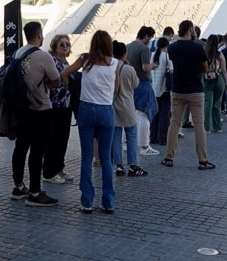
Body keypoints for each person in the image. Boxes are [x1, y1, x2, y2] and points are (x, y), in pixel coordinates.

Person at [61, 30, 119, 213]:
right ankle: (108, 201)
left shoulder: (85, 60)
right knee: (105, 158)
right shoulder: (115, 63)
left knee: (87, 157)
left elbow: (64, 73)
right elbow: (116, 89)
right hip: (105, 110)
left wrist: (71, 87)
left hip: (86, 109)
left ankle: (87, 201)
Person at [10, 21, 61, 207]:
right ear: (39, 35)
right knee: (37, 151)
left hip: (21, 108)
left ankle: (18, 186)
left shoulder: (17, 53)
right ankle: (35, 192)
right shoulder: (43, 56)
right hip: (40, 108)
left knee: (21, 147)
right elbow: (56, 81)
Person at [162, 20, 213, 170]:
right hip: (195, 90)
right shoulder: (198, 47)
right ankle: (202, 160)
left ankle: (169, 157)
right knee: (199, 125)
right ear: (191, 30)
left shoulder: (172, 48)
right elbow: (205, 68)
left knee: (174, 123)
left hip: (177, 89)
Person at [112, 41, 148, 177]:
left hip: (114, 106)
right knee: (131, 136)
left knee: (115, 136)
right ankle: (133, 165)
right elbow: (136, 84)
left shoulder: (109, 67)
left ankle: (118, 165)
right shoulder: (128, 69)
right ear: (124, 54)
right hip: (127, 105)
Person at [43, 34, 75, 185]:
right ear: (54, 46)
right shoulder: (52, 61)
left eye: (67, 45)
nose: (65, 47)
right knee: (53, 139)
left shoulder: (66, 62)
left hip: (66, 105)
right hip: (54, 105)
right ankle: (49, 172)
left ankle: (59, 167)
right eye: (61, 44)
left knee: (63, 138)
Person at [126, 27, 159, 156]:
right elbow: (145, 67)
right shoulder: (144, 49)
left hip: (130, 83)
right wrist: (153, 66)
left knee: (130, 113)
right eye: (149, 38)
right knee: (144, 114)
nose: (149, 41)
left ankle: (125, 143)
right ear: (145, 36)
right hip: (143, 83)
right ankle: (144, 145)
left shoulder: (128, 47)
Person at [149, 37, 172, 146]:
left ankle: (152, 137)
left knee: (155, 114)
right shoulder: (167, 56)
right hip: (165, 89)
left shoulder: (153, 55)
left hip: (154, 88)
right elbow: (171, 69)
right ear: (166, 46)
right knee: (165, 113)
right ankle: (162, 138)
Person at [202, 34, 227, 133]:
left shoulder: (204, 53)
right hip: (218, 78)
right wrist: (226, 82)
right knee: (217, 103)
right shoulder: (219, 54)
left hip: (206, 79)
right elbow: (224, 70)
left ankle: (206, 127)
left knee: (207, 103)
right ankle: (217, 127)